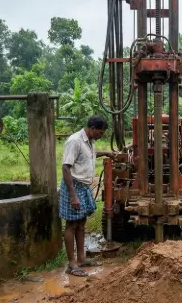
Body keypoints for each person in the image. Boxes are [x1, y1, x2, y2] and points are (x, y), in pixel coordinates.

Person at [60, 115, 115, 277]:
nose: (101, 135)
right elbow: (65, 168)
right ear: (91, 128)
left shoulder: (89, 142)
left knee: (82, 223)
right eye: (100, 132)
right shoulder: (74, 141)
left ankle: (81, 258)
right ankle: (71, 264)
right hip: (73, 186)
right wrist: (73, 195)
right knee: (71, 224)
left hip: (83, 187)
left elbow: (90, 155)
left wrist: (107, 153)